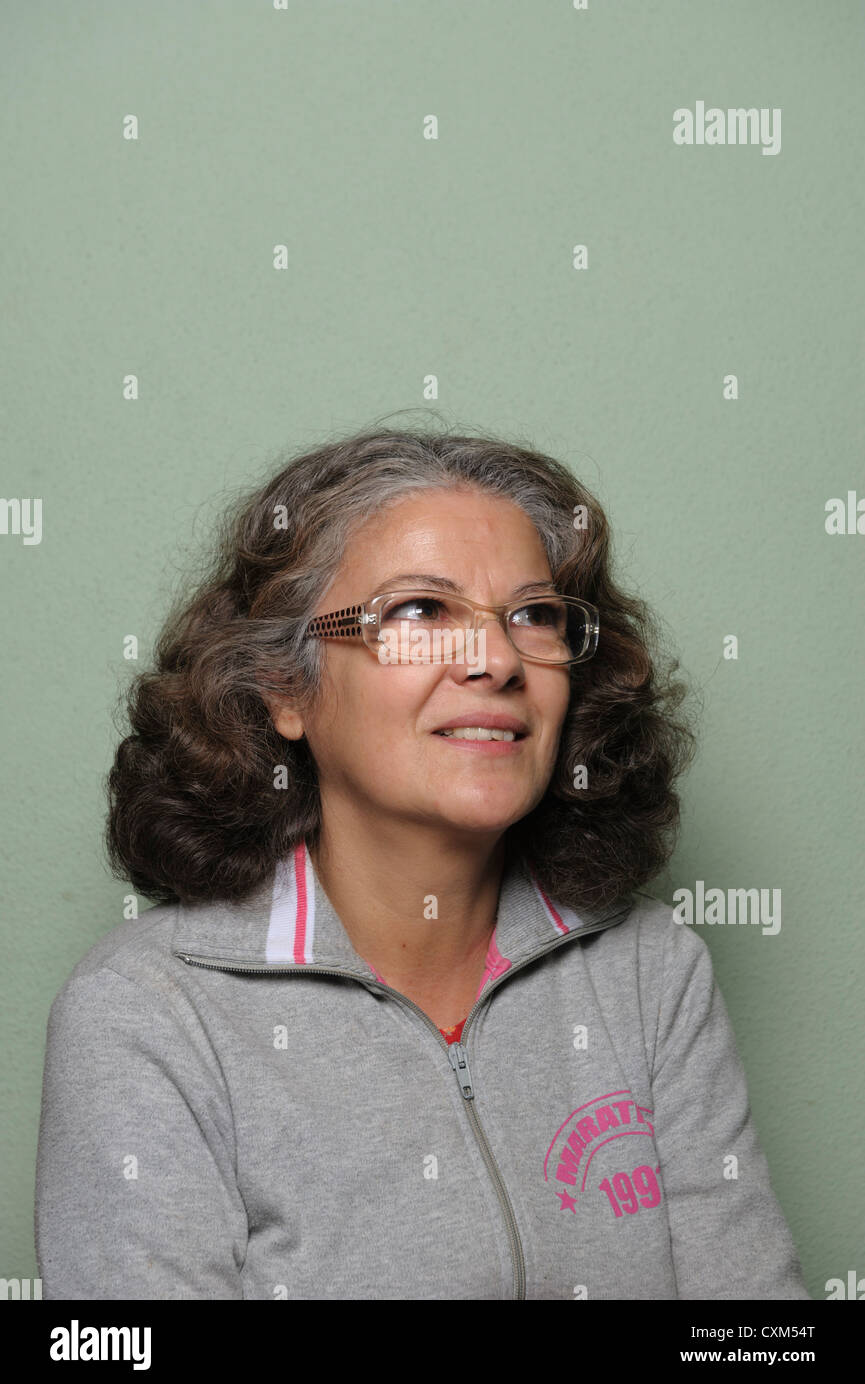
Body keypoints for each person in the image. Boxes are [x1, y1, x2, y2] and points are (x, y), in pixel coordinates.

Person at [35, 427, 811, 1299]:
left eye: (533, 614)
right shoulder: (145, 1013)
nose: (495, 659)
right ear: (285, 689)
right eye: (417, 612)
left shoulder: (651, 970)